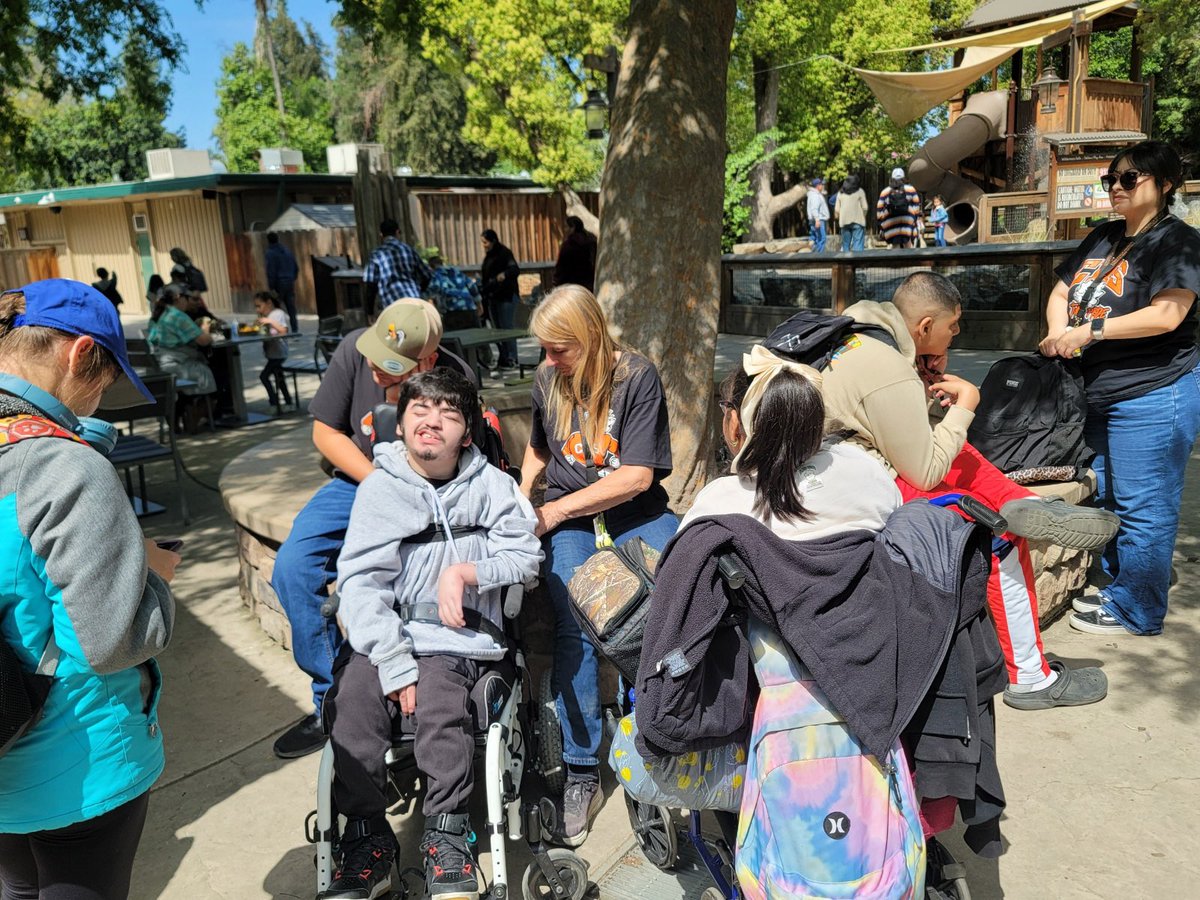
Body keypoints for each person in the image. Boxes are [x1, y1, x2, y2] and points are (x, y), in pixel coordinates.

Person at [819, 271, 1116, 709]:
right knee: (996, 537)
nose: (957, 334)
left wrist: (923, 380)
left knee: (961, 460)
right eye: (952, 326)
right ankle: (1031, 678)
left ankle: (1024, 504)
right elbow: (922, 469)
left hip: (835, 469)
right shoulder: (888, 366)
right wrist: (967, 405)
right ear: (924, 327)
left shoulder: (859, 334)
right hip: (852, 485)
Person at [320, 368, 542, 900]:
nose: (431, 421)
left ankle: (447, 836)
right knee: (351, 699)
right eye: (421, 409)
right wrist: (394, 661)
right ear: (401, 425)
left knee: (441, 702)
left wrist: (467, 571)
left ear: (467, 432)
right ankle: (369, 840)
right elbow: (360, 583)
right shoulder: (379, 490)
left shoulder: (492, 487)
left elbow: (527, 555)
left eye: (448, 413)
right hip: (387, 637)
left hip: (457, 638)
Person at [0, 278, 178, 899]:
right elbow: (109, 641)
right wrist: (151, 576)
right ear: (79, 354)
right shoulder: (66, 468)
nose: (99, 401)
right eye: (103, 383)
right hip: (73, 759)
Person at [519, 284, 676, 845]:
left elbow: (636, 475)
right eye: (545, 349)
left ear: (589, 336)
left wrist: (554, 507)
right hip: (574, 521)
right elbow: (541, 445)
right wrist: (522, 492)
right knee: (575, 621)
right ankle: (583, 769)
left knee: (678, 595)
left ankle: (667, 733)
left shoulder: (636, 377)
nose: (549, 360)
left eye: (559, 348)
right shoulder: (548, 380)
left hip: (633, 510)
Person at [269, 299, 445, 759]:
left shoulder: (452, 376)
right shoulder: (352, 351)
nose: (376, 371)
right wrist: (376, 484)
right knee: (292, 567)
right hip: (357, 482)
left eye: (390, 367)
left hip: (427, 493)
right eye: (374, 357)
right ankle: (331, 699)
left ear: (426, 360)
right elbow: (325, 432)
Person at [1038, 140, 1200, 638]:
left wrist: (1091, 332)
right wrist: (1056, 331)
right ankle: (1120, 581)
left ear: (1164, 184)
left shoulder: (1180, 241)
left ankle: (1138, 609)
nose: (1116, 188)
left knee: (1144, 503)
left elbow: (1168, 313)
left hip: (1156, 388)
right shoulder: (1104, 237)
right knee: (1106, 491)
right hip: (1098, 389)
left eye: (1130, 179)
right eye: (1111, 179)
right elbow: (1064, 290)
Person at [147, 283, 217, 431]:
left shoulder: (159, 314)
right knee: (208, 373)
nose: (189, 301)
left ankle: (180, 418)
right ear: (179, 297)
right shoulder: (177, 316)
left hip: (158, 366)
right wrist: (205, 329)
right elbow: (203, 340)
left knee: (197, 371)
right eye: (187, 297)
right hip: (177, 365)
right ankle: (194, 419)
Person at [362, 219, 432, 312]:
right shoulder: (409, 250)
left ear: (381, 235)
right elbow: (427, 276)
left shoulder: (377, 254)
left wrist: (369, 311)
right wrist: (419, 290)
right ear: (398, 232)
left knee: (392, 327)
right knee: (415, 326)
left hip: (392, 307)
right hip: (414, 302)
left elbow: (371, 286)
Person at [480, 228, 521, 373]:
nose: (484, 245)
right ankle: (504, 358)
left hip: (506, 297)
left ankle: (512, 358)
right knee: (498, 330)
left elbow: (515, 270)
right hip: (493, 297)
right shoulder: (489, 256)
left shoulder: (504, 253)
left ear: (493, 241)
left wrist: (504, 274)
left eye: (485, 242)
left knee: (506, 329)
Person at [254, 290, 292, 413]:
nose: (257, 310)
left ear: (269, 303)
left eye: (259, 306)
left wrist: (270, 322)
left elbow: (283, 331)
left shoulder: (277, 314)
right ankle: (288, 402)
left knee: (264, 376)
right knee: (278, 377)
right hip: (273, 354)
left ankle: (274, 403)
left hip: (279, 353)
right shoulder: (268, 317)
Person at [427, 255, 484, 331]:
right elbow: (472, 286)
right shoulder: (457, 272)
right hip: (469, 309)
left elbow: (430, 297)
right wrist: (479, 304)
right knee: (475, 338)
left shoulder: (435, 276)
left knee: (452, 340)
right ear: (442, 263)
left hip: (452, 313)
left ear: (431, 267)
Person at [877, 167, 921, 249]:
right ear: (903, 178)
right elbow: (917, 206)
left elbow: (879, 209)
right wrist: (913, 216)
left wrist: (882, 221)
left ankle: (896, 260)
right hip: (907, 221)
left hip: (891, 222)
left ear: (892, 178)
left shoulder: (885, 191)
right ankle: (909, 261)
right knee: (908, 244)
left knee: (895, 245)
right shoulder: (910, 189)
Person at [265, 232, 301, 332]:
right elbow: (296, 267)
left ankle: (278, 329)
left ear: (268, 241)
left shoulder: (270, 253)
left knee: (275, 307)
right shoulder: (287, 251)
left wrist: (271, 287)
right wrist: (292, 278)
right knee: (291, 308)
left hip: (278, 283)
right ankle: (295, 330)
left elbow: (271, 271)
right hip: (289, 282)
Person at [553, 215, 597, 292]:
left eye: (566, 227)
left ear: (573, 228)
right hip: (590, 285)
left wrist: (556, 281)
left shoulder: (569, 245)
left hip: (571, 287)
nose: (565, 230)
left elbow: (561, 267)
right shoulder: (592, 241)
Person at [834, 174, 869, 252]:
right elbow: (865, 207)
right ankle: (858, 263)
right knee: (858, 245)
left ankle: (846, 263)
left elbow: (837, 210)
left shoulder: (840, 193)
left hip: (844, 222)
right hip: (858, 222)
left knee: (845, 245)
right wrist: (864, 216)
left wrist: (838, 218)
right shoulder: (860, 191)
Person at [806, 177, 829, 253]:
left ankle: (813, 255)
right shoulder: (815, 196)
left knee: (816, 239)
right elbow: (814, 209)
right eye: (821, 184)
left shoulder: (814, 194)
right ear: (818, 185)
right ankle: (819, 257)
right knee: (822, 239)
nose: (823, 186)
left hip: (816, 219)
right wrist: (817, 220)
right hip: (819, 219)